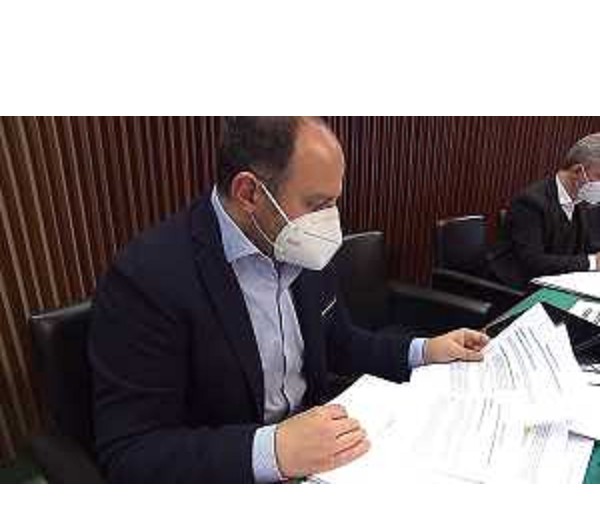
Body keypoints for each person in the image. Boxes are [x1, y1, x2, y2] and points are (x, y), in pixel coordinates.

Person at [89, 116, 488, 483]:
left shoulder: (299, 243)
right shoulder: (148, 278)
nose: (330, 223)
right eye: (317, 205)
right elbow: (131, 451)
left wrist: (424, 350)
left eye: (334, 201)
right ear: (249, 193)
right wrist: (273, 450)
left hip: (325, 451)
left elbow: (339, 342)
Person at [488, 133, 600, 290]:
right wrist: (592, 262)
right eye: (599, 176)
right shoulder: (530, 202)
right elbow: (534, 262)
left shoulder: (582, 201)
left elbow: (587, 246)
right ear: (577, 171)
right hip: (514, 289)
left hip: (556, 282)